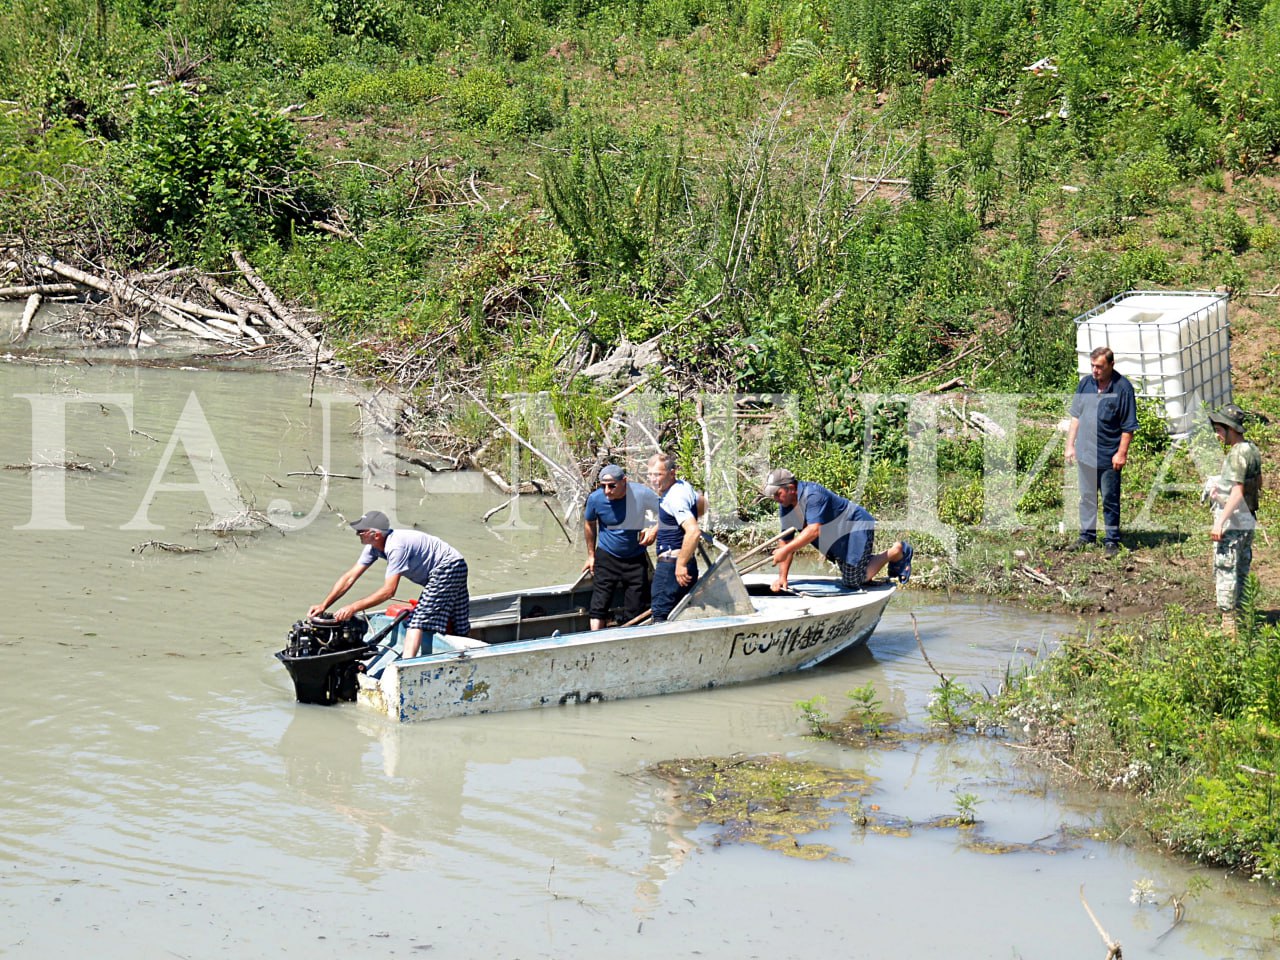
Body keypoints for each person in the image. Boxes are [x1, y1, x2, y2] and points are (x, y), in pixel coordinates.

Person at [309, 510, 470, 659]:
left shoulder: (396, 547)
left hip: (449, 566)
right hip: (448, 567)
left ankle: (407, 665)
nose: (357, 534)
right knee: (458, 617)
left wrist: (353, 608)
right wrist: (324, 605)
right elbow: (350, 577)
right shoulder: (373, 547)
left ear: (376, 534)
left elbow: (388, 591)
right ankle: (466, 650)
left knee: (417, 621)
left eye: (361, 531)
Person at [762, 468, 912, 592]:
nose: (776, 498)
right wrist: (782, 577)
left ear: (791, 488)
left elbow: (814, 530)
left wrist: (785, 550)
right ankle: (863, 563)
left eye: (777, 493)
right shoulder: (786, 507)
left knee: (853, 581)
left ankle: (896, 552)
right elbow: (785, 540)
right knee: (852, 574)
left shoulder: (813, 495)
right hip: (836, 535)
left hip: (855, 526)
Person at [1065, 345, 1139, 558]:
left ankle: (1111, 540)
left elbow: (1128, 426)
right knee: (1087, 496)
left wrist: (1121, 453)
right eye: (1092, 366)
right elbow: (1076, 416)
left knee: (1110, 498)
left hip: (1108, 455)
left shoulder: (1122, 389)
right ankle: (1087, 535)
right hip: (1085, 452)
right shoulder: (1086, 384)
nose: (1095, 371)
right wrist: (1070, 445)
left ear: (1111, 365)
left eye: (1099, 367)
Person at [1206, 403, 1262, 636]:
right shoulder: (1252, 450)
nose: (1218, 435)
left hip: (1233, 521)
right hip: (1247, 519)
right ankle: (1243, 619)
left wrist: (1220, 521)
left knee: (1226, 568)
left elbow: (1237, 491)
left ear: (1231, 428)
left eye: (1220, 429)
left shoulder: (1237, 454)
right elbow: (1257, 484)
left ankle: (1228, 625)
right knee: (1241, 569)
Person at [582, 464, 659, 629]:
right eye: (603, 486)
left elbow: (666, 510)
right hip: (606, 555)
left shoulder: (641, 494)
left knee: (636, 606)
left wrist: (652, 528)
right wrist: (591, 556)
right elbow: (589, 524)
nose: (607, 491)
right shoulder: (595, 499)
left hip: (635, 557)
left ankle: (630, 638)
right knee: (598, 605)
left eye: (612, 486)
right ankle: (596, 639)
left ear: (624, 481)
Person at [645, 452, 703, 622]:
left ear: (672, 473)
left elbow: (693, 531)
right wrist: (657, 529)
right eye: (650, 474)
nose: (653, 480)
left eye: (658, 475)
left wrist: (680, 564)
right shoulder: (682, 487)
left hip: (672, 567)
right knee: (681, 613)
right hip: (683, 563)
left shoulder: (675, 497)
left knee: (661, 614)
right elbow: (693, 508)